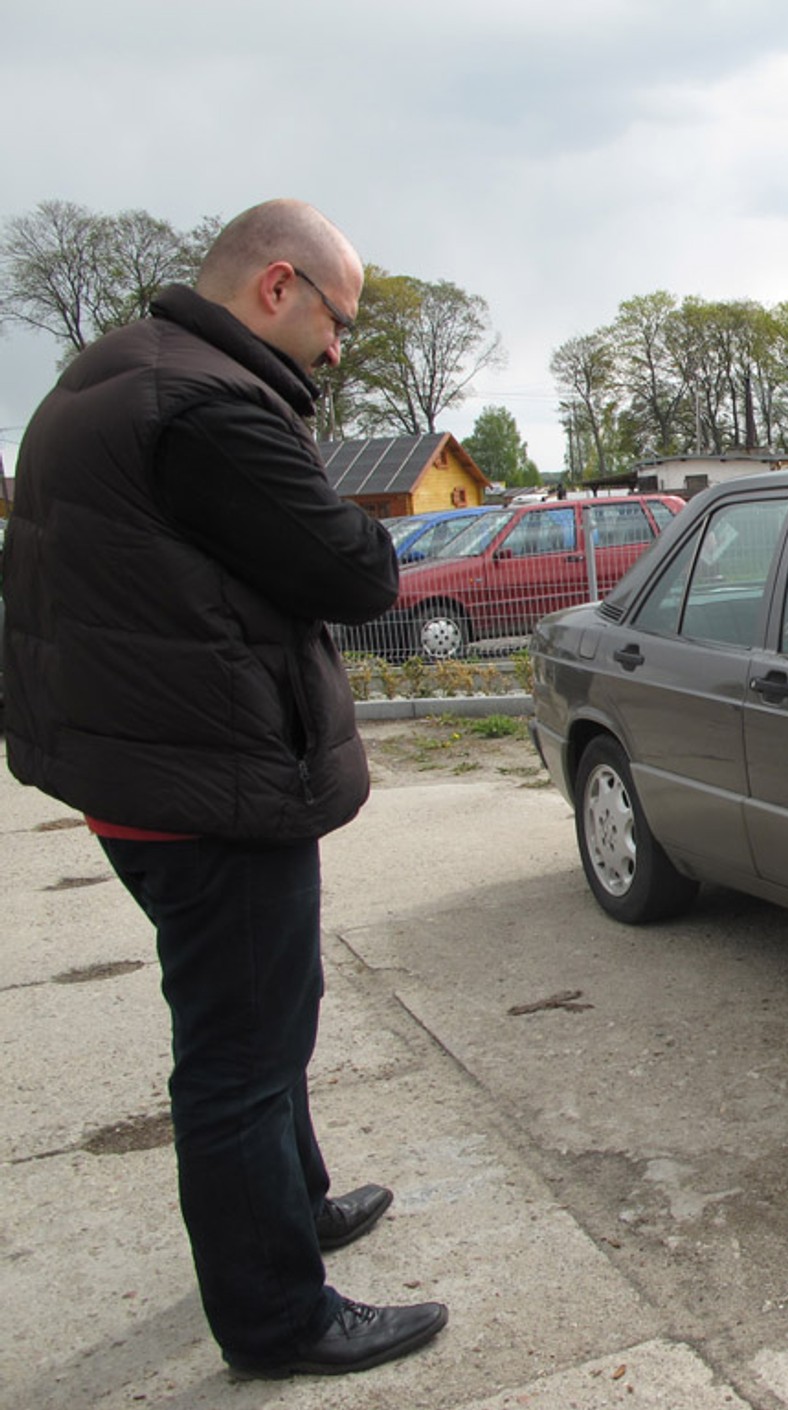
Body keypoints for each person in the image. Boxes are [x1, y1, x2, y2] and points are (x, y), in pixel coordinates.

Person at [0, 199, 449, 1378]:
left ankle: (291, 1210)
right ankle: (280, 1318)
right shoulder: (210, 407)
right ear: (277, 286)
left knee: (261, 1023)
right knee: (241, 1057)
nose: (338, 351)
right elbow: (358, 573)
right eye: (336, 323)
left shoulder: (103, 376)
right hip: (210, 784)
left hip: (134, 771)